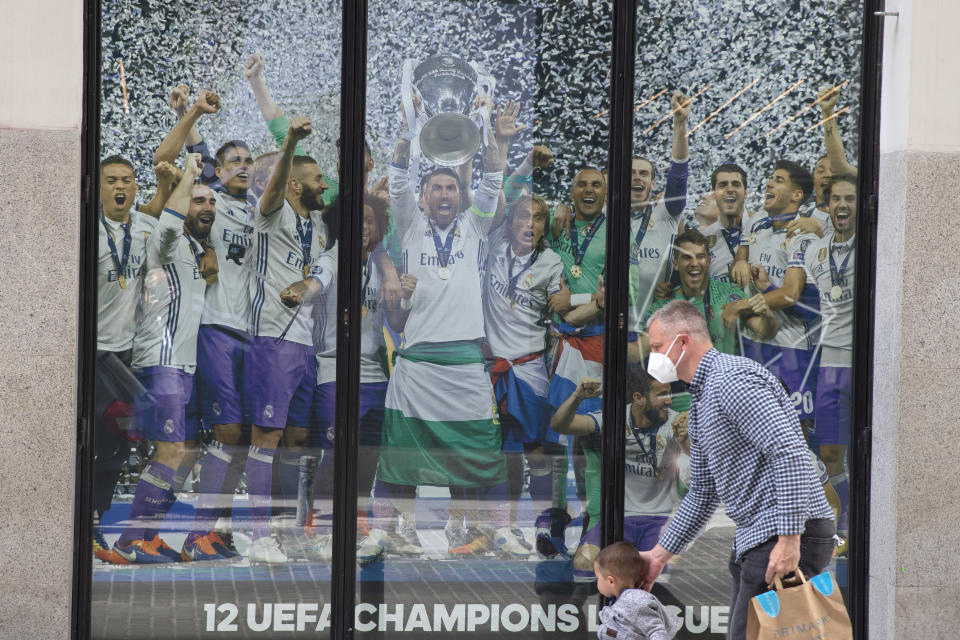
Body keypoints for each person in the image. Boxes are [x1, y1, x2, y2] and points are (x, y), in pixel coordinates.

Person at [638, 300, 835, 640]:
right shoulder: (702, 398)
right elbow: (702, 492)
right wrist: (659, 555)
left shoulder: (731, 382)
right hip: (761, 535)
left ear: (682, 342)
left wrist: (789, 540)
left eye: (657, 347)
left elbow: (789, 454)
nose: (653, 356)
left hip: (782, 532)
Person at [366, 106, 508, 558]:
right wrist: (402, 147)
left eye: (451, 187)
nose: (444, 194)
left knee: (481, 451)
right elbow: (400, 185)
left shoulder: (476, 225)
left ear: (459, 196)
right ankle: (389, 530)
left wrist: (496, 145)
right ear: (424, 198)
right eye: (436, 188)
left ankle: (485, 529)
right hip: (418, 363)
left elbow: (490, 184)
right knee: (400, 453)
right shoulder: (408, 226)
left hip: (466, 362)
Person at [103, 154, 219, 564]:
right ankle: (131, 539)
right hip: (161, 359)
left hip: (182, 363)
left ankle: (148, 535)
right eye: (197, 199)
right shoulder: (164, 239)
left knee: (181, 451)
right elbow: (169, 221)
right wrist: (187, 173)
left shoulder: (193, 247)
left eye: (211, 202)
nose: (205, 207)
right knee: (170, 450)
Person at [243, 116, 331, 563]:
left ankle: (296, 532)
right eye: (317, 178)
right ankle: (259, 536)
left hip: (307, 346)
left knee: (298, 441)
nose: (325, 183)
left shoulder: (318, 226)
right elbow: (275, 187)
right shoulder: (273, 211)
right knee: (266, 437)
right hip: (273, 339)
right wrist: (291, 143)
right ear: (297, 185)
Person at [481, 193, 566, 557]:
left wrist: (573, 303)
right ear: (511, 222)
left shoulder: (551, 262)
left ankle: (545, 529)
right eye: (523, 217)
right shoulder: (495, 245)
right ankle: (503, 526)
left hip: (530, 367)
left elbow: (561, 305)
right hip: (491, 368)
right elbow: (500, 194)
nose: (529, 225)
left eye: (539, 219)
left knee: (537, 452)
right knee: (502, 452)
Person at [550, 367, 689, 586]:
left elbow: (699, 461)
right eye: (662, 394)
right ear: (639, 399)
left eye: (669, 393)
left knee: (660, 574)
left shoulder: (674, 424)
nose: (669, 401)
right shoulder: (614, 419)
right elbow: (560, 425)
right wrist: (577, 397)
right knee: (584, 564)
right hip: (617, 519)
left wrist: (686, 441)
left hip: (660, 519)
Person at [92, 155, 160, 561]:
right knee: (135, 416)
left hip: (124, 348)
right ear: (99, 187)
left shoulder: (144, 228)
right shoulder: (90, 231)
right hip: (94, 350)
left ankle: (95, 522)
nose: (120, 186)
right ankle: (92, 525)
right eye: (112, 180)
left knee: (114, 442)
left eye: (127, 180)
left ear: (136, 189)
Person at [727, 161, 822, 425]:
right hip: (752, 344)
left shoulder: (802, 236)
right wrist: (741, 262)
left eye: (778, 180)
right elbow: (739, 261)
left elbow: (791, 295)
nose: (769, 183)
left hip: (790, 349)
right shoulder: (757, 222)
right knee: (748, 427)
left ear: (796, 195)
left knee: (793, 431)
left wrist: (741, 305)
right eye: (770, 178)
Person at [801, 174, 857, 545]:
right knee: (831, 451)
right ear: (826, 203)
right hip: (829, 363)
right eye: (836, 198)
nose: (842, 205)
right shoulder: (814, 252)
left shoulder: (871, 244)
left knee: (867, 448)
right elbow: (805, 302)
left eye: (850, 199)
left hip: (866, 362)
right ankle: (848, 521)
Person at [594, 542, 681, 640]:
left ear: (611, 581)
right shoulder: (622, 599)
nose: (597, 582)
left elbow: (656, 631)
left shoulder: (634, 602)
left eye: (598, 578)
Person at [697, 163, 752, 285]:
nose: (730, 189)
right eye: (723, 185)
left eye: (736, 184)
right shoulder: (703, 239)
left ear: (746, 193)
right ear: (714, 194)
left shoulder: (763, 228)